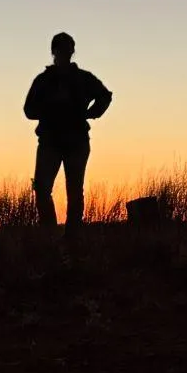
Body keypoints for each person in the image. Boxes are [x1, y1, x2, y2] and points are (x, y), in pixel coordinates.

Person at [24, 33, 113, 231]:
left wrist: (90, 114)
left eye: (67, 49)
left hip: (75, 141)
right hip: (51, 142)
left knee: (73, 190)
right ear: (53, 51)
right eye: (61, 49)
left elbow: (105, 96)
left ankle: (71, 237)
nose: (64, 53)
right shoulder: (44, 80)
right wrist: (51, 110)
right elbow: (28, 110)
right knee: (43, 188)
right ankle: (50, 234)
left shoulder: (83, 79)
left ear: (72, 51)